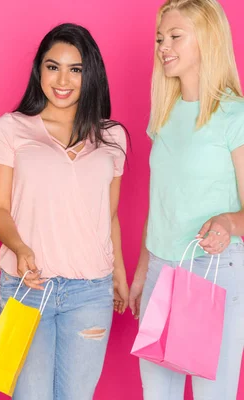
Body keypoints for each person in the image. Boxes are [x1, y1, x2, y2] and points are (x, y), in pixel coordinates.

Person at [0, 23, 129, 399]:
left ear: (90, 73)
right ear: (39, 71)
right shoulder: (11, 128)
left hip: (90, 293)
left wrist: (120, 275)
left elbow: (107, 214)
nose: (62, 79)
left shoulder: (113, 136)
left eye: (75, 69)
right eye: (53, 67)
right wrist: (19, 248)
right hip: (25, 289)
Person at [128, 0, 244, 398]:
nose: (164, 46)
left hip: (213, 269)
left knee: (214, 394)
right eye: (161, 38)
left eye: (176, 36)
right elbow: (160, 200)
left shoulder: (235, 116)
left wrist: (228, 223)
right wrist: (145, 270)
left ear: (207, 41)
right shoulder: (165, 113)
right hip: (162, 267)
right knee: (158, 394)